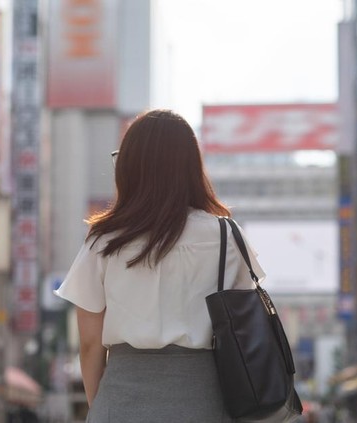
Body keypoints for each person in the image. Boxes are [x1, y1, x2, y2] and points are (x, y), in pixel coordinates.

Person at [54, 109, 266, 421]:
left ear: (129, 167)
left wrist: (102, 406)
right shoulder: (225, 235)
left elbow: (89, 344)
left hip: (121, 397)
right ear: (192, 167)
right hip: (205, 400)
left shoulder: (104, 239)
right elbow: (246, 326)